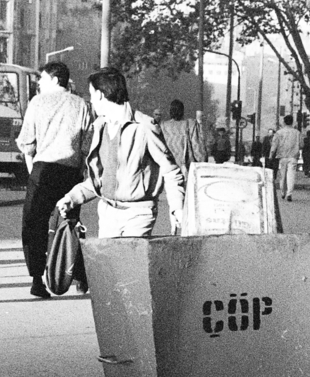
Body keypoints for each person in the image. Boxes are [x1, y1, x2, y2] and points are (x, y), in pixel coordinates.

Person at [56, 67, 186, 237]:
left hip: (139, 215)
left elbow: (170, 170)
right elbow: (101, 179)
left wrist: (177, 208)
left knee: (129, 262)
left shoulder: (144, 127)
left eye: (91, 94)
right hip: (107, 214)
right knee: (109, 263)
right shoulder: (99, 127)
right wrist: (72, 198)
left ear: (101, 95)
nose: (91, 101)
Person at [17, 60, 95, 298]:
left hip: (43, 171)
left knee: (34, 224)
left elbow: (27, 142)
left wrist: (33, 169)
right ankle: (79, 276)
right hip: (71, 174)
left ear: (53, 79)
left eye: (42, 78)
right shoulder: (81, 104)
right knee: (69, 224)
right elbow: (87, 145)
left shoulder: (37, 103)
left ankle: (37, 279)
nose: (39, 83)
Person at [158, 99, 203, 173]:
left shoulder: (163, 126)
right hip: (185, 168)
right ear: (182, 111)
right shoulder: (190, 124)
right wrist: (201, 163)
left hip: (168, 167)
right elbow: (197, 148)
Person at [271, 113, 302, 202]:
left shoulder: (279, 133)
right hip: (293, 157)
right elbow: (302, 144)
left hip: (282, 156)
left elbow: (274, 145)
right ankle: (289, 193)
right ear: (292, 122)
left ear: (284, 122)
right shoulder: (297, 132)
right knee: (291, 175)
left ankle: (282, 192)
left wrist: (271, 154)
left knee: (282, 175)